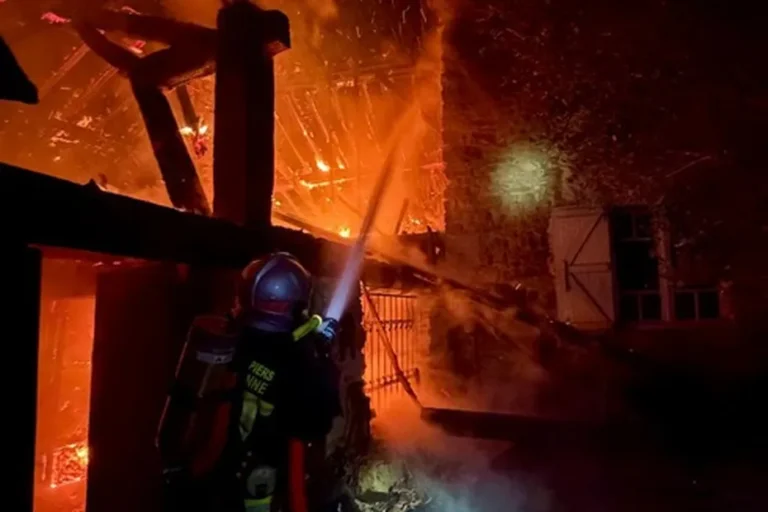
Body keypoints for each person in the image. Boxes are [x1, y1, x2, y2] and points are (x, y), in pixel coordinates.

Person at [158, 253, 341, 512]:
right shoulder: (301, 364)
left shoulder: (235, 340)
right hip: (258, 491)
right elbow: (298, 461)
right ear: (295, 302)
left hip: (216, 483)